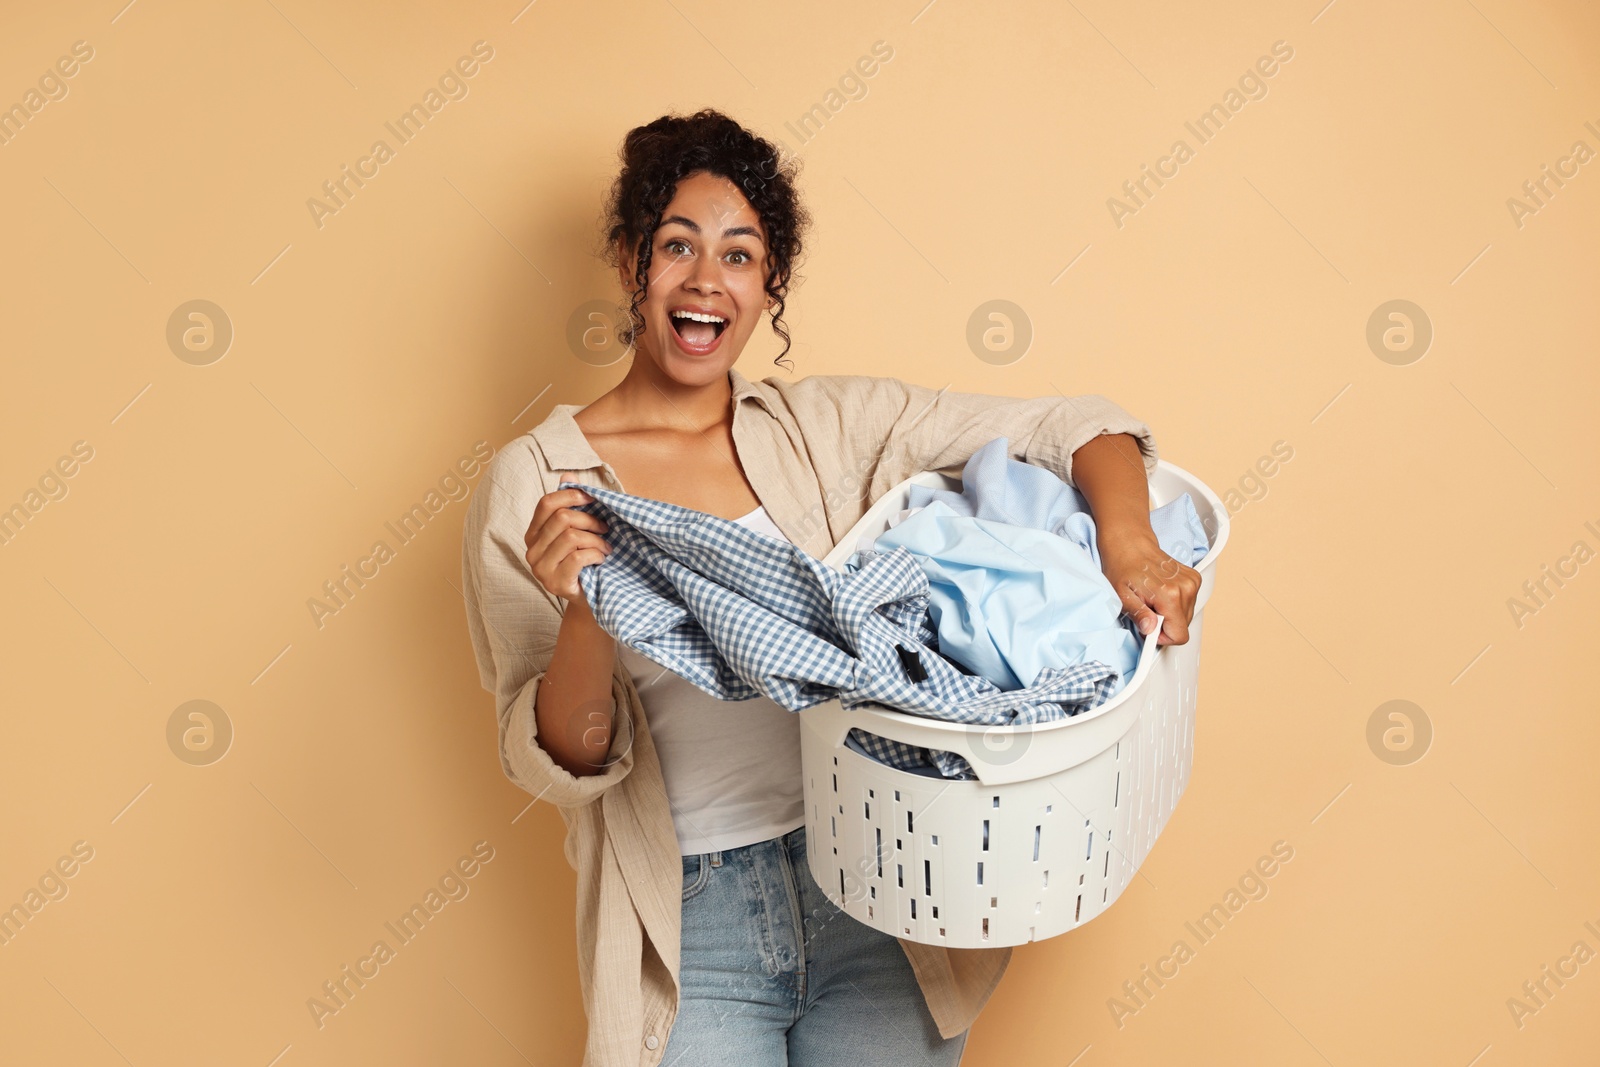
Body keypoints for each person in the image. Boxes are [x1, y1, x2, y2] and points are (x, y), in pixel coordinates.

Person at [461, 108, 1200, 1067]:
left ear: (770, 285)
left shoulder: (827, 429)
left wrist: (1131, 546)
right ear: (629, 260)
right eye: (676, 245)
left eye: (739, 254)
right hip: (694, 928)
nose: (704, 280)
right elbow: (559, 760)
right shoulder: (538, 483)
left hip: (877, 881)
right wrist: (587, 612)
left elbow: (1078, 424)